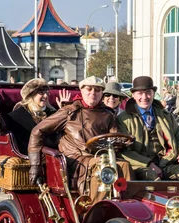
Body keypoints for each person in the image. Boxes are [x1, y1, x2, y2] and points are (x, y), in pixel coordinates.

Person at [28, 76, 132, 205]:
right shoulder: (69, 112)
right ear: (81, 91)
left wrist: (123, 142)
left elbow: (114, 138)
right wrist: (35, 164)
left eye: (97, 90)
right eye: (89, 89)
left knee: (125, 165)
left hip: (100, 157)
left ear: (101, 94)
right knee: (101, 165)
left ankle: (127, 207)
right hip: (75, 160)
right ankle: (95, 211)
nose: (93, 93)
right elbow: (37, 131)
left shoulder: (108, 114)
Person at [118, 76, 179, 181]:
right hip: (141, 166)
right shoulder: (123, 119)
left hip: (166, 162)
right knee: (153, 178)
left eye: (148, 92)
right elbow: (124, 151)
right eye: (140, 93)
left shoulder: (166, 115)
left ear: (154, 94)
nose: (144, 97)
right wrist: (149, 164)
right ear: (133, 95)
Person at [7, 78, 70, 155]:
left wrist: (64, 111)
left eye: (47, 92)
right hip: (35, 157)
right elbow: (24, 144)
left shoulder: (53, 112)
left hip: (59, 152)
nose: (46, 96)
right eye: (41, 93)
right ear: (30, 95)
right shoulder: (17, 116)